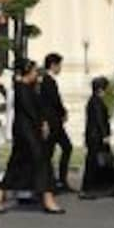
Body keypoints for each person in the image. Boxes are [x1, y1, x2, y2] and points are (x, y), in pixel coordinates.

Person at [0, 59, 64, 214]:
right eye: (35, 71)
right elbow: (30, 111)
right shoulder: (22, 88)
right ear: (28, 72)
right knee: (42, 161)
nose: (37, 74)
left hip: (27, 131)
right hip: (26, 132)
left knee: (16, 165)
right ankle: (48, 198)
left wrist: (43, 121)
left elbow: (39, 108)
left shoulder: (29, 87)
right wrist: (41, 124)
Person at [40, 53, 73, 192]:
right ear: (53, 65)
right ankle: (53, 182)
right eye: (59, 65)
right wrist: (63, 112)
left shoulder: (47, 80)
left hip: (55, 122)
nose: (60, 68)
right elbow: (53, 101)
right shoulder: (47, 81)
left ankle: (59, 180)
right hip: (52, 122)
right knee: (51, 152)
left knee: (64, 148)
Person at [80, 76, 114, 198]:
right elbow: (100, 119)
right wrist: (105, 134)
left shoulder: (94, 100)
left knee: (98, 161)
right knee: (94, 162)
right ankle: (89, 189)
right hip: (97, 137)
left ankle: (99, 186)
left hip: (93, 136)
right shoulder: (96, 102)